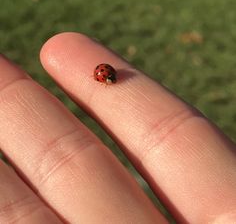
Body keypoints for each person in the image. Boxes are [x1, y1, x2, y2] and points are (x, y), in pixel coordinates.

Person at [0, 32, 235, 224]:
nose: (107, 78)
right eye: (107, 78)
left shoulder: (107, 75)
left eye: (107, 78)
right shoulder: (105, 74)